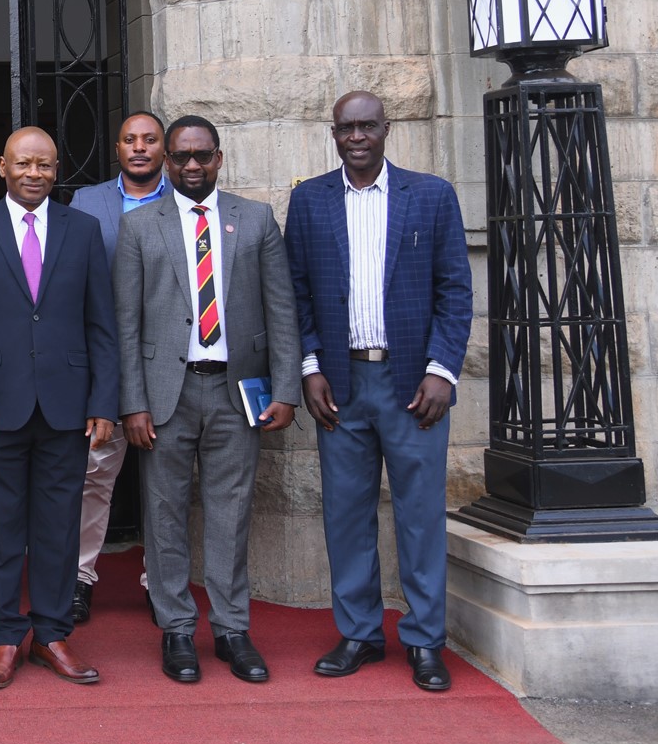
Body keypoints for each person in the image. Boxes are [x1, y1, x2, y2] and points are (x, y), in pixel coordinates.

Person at [287, 90, 473, 692]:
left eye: (368, 125)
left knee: (419, 517)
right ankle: (361, 633)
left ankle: (424, 640)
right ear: (333, 133)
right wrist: (310, 367)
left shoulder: (432, 195)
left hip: (413, 385)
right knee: (345, 515)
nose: (358, 136)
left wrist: (442, 371)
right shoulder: (310, 200)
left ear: (386, 129)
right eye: (347, 127)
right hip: (339, 384)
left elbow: (455, 291)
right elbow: (298, 296)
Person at [112, 115, 300, 685]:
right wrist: (132, 404)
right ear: (167, 163)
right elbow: (125, 325)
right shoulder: (141, 226)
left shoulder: (257, 220)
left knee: (231, 511)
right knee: (164, 515)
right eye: (181, 157)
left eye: (202, 155)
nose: (192, 165)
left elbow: (282, 311)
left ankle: (231, 630)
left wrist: (287, 389)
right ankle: (175, 629)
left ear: (219, 158)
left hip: (234, 392)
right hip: (165, 394)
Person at [0, 126, 118, 689]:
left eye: (44, 164)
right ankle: (5, 637)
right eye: (23, 164)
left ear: (57, 167)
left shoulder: (84, 229)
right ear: (2, 165)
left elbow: (102, 326)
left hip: (68, 407)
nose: (34, 174)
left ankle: (52, 633)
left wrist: (103, 403)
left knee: (59, 527)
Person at [68, 111, 170, 623]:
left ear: (164, 149)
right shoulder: (87, 202)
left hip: (170, 364)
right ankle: (80, 578)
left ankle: (160, 582)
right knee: (93, 478)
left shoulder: (186, 200)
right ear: (116, 148)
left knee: (166, 482)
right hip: (104, 363)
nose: (139, 148)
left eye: (149, 140)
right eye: (129, 139)